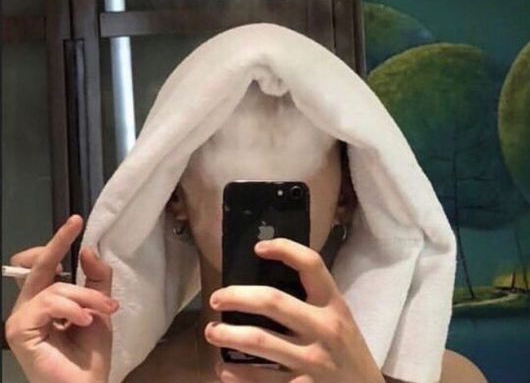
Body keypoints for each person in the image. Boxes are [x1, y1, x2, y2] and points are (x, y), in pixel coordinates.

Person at [6, 84, 488, 383]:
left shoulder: (444, 377)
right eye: (228, 141)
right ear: (174, 196)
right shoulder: (128, 378)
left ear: (346, 196)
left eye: (292, 140)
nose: (261, 169)